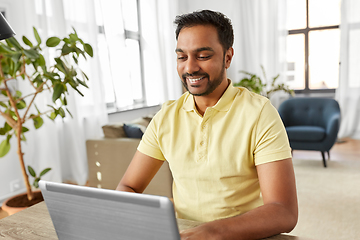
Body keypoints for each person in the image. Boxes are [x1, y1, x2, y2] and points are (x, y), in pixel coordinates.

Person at [116, 9, 298, 240]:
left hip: (242, 234)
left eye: (202, 56)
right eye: (182, 57)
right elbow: (128, 187)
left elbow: (284, 211)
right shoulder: (166, 116)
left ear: (228, 57)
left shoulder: (260, 113)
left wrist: (213, 231)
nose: (190, 67)